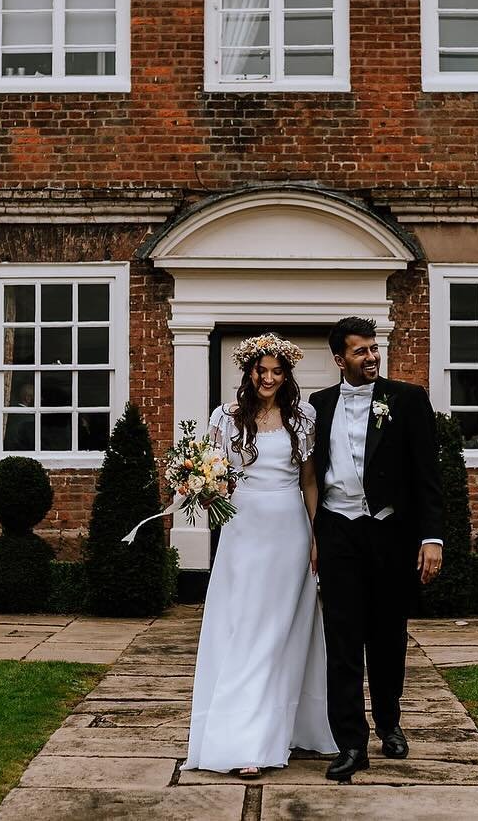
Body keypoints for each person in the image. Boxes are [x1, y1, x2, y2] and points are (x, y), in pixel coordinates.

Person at [184, 333, 339, 777]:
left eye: (276, 371)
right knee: (244, 628)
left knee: (280, 631)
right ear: (248, 373)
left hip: (289, 528)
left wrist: (316, 535)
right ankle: (241, 738)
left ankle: (277, 731)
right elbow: (215, 473)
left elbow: (309, 481)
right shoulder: (226, 418)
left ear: (287, 375)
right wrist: (203, 489)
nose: (268, 378)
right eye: (261, 370)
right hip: (243, 529)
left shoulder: (302, 417)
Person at [309, 316, 444, 781]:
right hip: (338, 532)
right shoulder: (318, 405)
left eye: (374, 348)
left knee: (387, 637)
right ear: (338, 359)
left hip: (389, 533)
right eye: (360, 350)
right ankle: (350, 743)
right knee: (341, 640)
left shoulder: (406, 400)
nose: (371, 356)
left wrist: (431, 537)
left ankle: (390, 723)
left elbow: (428, 475)